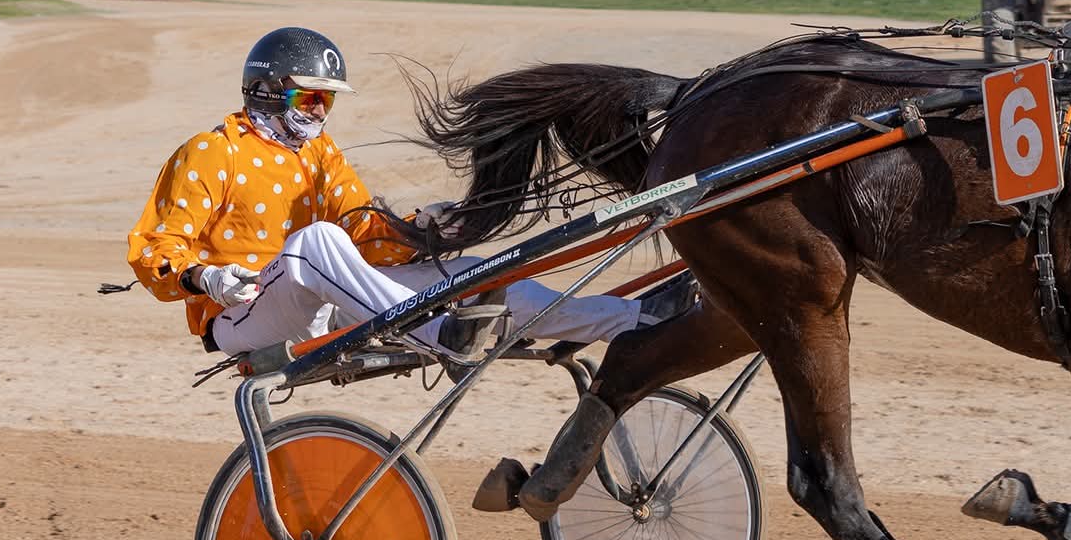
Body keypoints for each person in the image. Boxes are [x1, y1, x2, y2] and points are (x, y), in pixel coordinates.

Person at [127, 26, 673, 361]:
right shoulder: (210, 151)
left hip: (332, 299)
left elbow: (361, 235)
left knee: (478, 276)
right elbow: (154, 247)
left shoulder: (319, 154)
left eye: (327, 102)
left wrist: (424, 230)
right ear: (268, 91)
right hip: (242, 318)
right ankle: (438, 333)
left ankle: (633, 318)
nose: (320, 111)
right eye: (311, 98)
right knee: (316, 240)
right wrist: (207, 278)